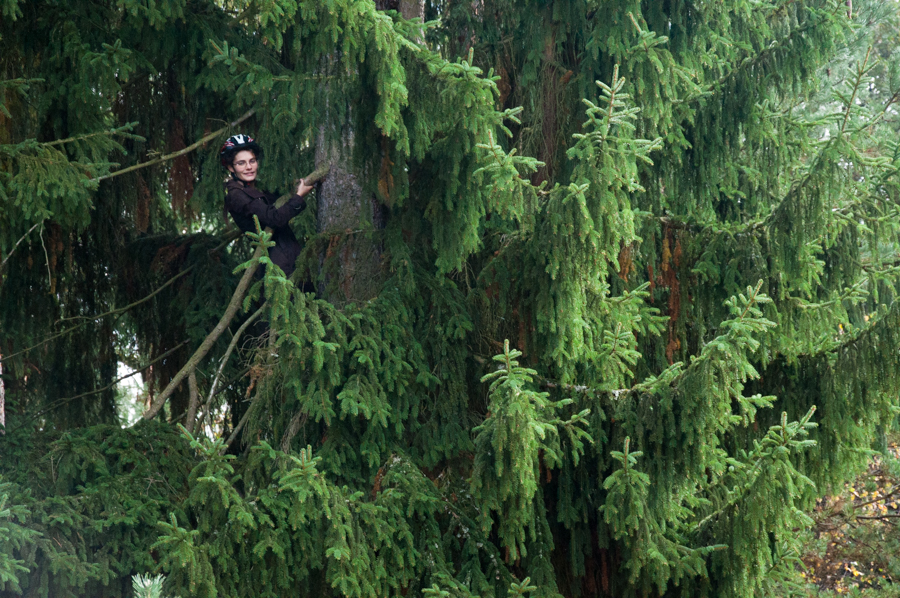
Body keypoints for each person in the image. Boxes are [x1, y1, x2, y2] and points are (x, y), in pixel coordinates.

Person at [220, 134, 315, 283]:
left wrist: (294, 187)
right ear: (231, 167)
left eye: (252, 161)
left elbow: (278, 200)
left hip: (291, 254)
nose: (249, 167)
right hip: (277, 263)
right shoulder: (236, 195)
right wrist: (299, 196)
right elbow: (274, 218)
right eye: (241, 163)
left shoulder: (256, 187)